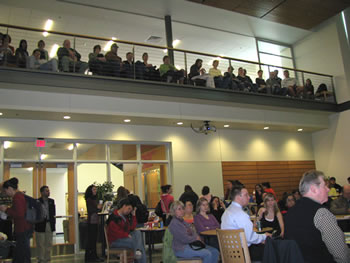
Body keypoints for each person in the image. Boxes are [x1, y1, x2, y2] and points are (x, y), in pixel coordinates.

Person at [284, 170, 350, 263]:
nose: (328, 189)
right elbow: (340, 253)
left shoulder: (290, 212)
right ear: (314, 189)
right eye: (324, 186)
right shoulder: (322, 213)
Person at [221, 185, 271, 261]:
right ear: (238, 197)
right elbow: (250, 237)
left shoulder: (227, 212)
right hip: (241, 253)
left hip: (229, 252)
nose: (249, 197)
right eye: (246, 195)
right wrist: (265, 236)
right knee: (270, 250)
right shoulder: (240, 214)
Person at [0, 178, 33, 263]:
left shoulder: (17, 197)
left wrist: (6, 210)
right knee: (21, 251)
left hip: (22, 228)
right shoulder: (20, 196)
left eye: (5, 190)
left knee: (23, 252)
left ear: (10, 188)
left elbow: (19, 214)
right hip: (25, 227)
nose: (6, 193)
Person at [107, 198, 146, 263]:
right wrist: (126, 235)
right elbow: (116, 232)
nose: (129, 211)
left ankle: (138, 252)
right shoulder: (114, 217)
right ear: (124, 206)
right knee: (136, 243)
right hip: (115, 241)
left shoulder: (124, 217)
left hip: (124, 238)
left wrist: (133, 216)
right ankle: (139, 255)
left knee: (137, 232)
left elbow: (132, 228)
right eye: (129, 208)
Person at [35, 186, 56, 263]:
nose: (48, 192)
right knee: (40, 243)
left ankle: (47, 259)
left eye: (49, 191)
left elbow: (53, 213)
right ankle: (41, 259)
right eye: (46, 191)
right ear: (42, 192)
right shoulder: (37, 201)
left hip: (49, 223)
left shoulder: (51, 201)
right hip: (40, 224)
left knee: (49, 243)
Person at [84, 184, 103, 262]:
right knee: (91, 240)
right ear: (90, 191)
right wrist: (98, 207)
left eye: (96, 189)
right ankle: (91, 256)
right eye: (94, 189)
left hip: (95, 221)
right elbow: (94, 209)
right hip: (92, 221)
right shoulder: (89, 200)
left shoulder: (94, 199)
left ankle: (93, 256)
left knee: (94, 239)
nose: (95, 191)